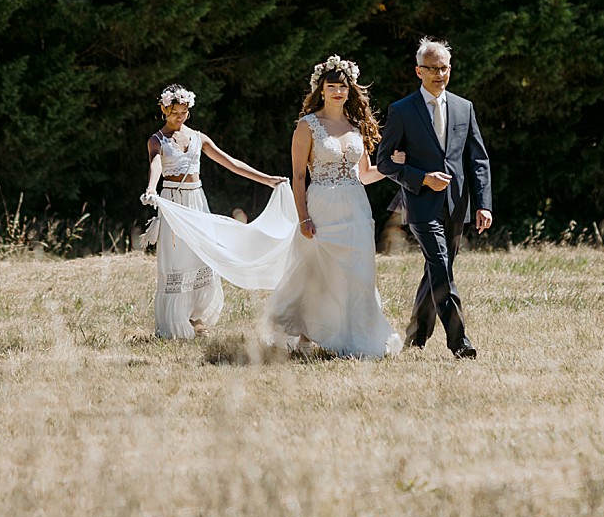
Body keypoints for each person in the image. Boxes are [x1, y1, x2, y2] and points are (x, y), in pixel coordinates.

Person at [261, 55, 403, 358]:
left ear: (350, 90)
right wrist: (303, 217)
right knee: (317, 273)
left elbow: (364, 174)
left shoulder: (355, 126)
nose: (338, 92)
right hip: (321, 205)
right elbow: (299, 176)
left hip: (356, 207)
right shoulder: (307, 126)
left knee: (358, 275)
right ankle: (307, 333)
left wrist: (393, 165)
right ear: (321, 90)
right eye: (332, 87)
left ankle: (352, 335)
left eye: (343, 87)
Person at [374, 38, 493, 359]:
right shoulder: (402, 110)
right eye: (432, 69)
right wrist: (422, 177)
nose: (439, 74)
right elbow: (384, 162)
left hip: (457, 205)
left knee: (436, 270)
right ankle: (460, 341)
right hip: (420, 204)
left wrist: (483, 204)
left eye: (444, 68)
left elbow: (478, 160)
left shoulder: (464, 107)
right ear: (419, 71)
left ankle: (416, 336)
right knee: (441, 267)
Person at [140, 84, 288, 339]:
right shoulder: (157, 139)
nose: (180, 117)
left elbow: (231, 163)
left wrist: (268, 180)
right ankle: (175, 322)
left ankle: (197, 316)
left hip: (196, 201)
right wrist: (151, 188)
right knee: (177, 259)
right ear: (164, 110)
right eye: (174, 112)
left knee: (202, 257)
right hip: (173, 202)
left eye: (184, 112)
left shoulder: (199, 138)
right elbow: (155, 163)